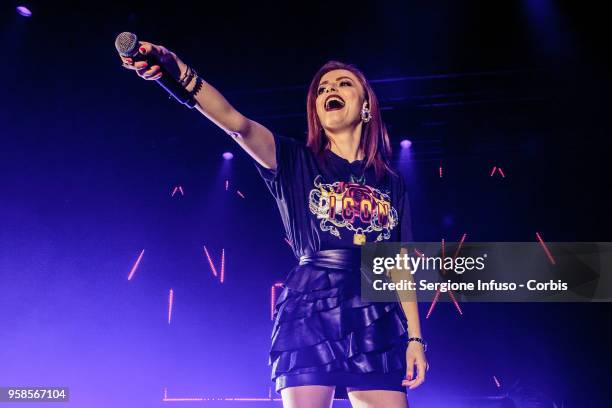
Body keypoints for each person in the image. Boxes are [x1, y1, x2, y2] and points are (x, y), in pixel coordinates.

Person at [120, 42, 428, 408]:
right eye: (322, 89)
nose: (329, 90)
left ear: (366, 107)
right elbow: (236, 123)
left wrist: (414, 338)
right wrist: (177, 70)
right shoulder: (294, 160)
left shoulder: (390, 182)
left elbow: (399, 265)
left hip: (375, 312)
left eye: (343, 84)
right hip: (311, 303)